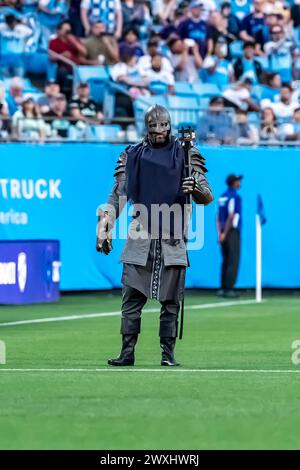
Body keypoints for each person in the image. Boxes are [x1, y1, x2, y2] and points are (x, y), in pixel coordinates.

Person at [96, 105, 213, 366]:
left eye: (163, 127)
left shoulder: (186, 154)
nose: (159, 132)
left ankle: (167, 354)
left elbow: (207, 196)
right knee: (130, 299)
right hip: (141, 236)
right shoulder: (133, 155)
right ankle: (127, 353)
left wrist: (194, 187)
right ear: (146, 128)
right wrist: (106, 224)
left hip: (173, 237)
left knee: (171, 303)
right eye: (153, 128)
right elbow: (117, 194)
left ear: (170, 126)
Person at [216, 174, 242, 299]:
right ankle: (229, 288)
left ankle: (222, 288)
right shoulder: (235, 197)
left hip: (223, 232)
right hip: (231, 232)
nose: (240, 183)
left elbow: (217, 217)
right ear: (234, 183)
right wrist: (225, 233)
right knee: (233, 260)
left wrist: (220, 234)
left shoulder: (222, 197)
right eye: (238, 181)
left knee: (225, 260)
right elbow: (231, 216)